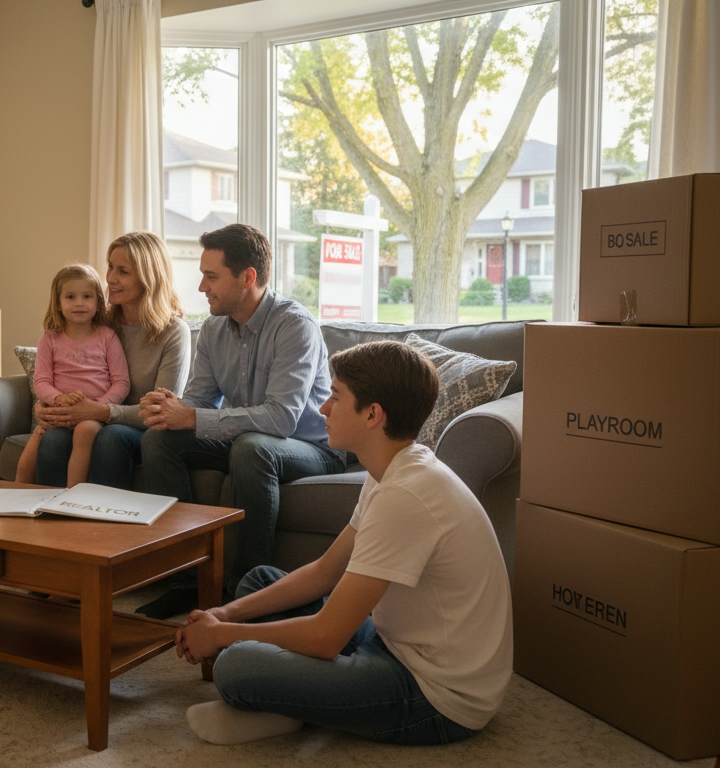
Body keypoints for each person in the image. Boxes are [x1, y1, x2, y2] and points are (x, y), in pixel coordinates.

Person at [174, 340, 513, 747]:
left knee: (234, 667)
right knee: (260, 581)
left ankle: (287, 707)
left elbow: (325, 637)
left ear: (373, 414)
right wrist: (225, 613)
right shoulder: (393, 469)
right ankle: (293, 700)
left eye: (335, 397)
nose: (322, 409)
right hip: (392, 639)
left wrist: (221, 637)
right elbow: (323, 572)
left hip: (435, 694)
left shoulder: (406, 497)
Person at [136, 223, 347, 619]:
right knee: (159, 440)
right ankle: (185, 583)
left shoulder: (294, 325)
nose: (202, 287)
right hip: (249, 439)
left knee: (253, 447)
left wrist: (194, 417)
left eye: (211, 276)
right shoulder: (214, 327)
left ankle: (244, 593)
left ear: (247, 277)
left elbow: (281, 419)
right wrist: (169, 408)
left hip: (313, 447)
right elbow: (200, 399)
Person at [34, 232, 190, 489]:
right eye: (109, 266)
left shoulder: (174, 331)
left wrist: (101, 411)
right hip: (90, 419)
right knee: (53, 439)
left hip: (142, 431)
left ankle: (102, 524)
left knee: (111, 436)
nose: (110, 278)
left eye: (123, 271)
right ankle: (49, 522)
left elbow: (160, 412)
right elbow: (61, 373)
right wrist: (46, 409)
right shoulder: (100, 323)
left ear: (148, 277)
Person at [15, 264, 130, 487]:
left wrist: (98, 405)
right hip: (59, 411)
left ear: (98, 302)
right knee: (33, 447)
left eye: (87, 296)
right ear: (58, 303)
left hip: (93, 414)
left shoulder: (107, 337)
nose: (79, 303)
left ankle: (72, 496)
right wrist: (58, 398)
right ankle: (17, 501)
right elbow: (41, 381)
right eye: (70, 297)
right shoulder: (49, 338)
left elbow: (121, 382)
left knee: (85, 431)